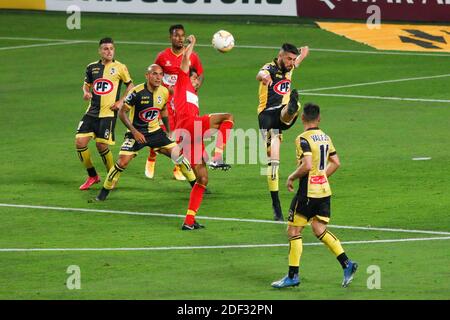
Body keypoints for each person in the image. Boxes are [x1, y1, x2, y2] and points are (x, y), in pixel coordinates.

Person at [271, 103, 358, 288]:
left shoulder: (302, 139)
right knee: (319, 229)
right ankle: (347, 264)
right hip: (324, 192)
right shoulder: (326, 137)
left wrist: (292, 176)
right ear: (319, 119)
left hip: (307, 193)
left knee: (293, 231)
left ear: (302, 118)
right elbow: (336, 162)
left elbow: (308, 165)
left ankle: (293, 276)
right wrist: (322, 177)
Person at [95, 64, 196, 201]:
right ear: (147, 76)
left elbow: (164, 109)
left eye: (160, 74)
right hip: (136, 133)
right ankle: (103, 193)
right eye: (154, 74)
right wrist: (134, 132)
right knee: (122, 163)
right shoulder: (136, 92)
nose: (158, 77)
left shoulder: (164, 91)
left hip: (156, 132)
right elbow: (122, 112)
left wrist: (168, 130)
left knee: (179, 157)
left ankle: (197, 188)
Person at [173, 35, 234, 230]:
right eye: (194, 76)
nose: (197, 79)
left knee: (202, 179)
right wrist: (192, 44)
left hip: (188, 136)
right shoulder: (183, 82)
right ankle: (217, 156)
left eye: (198, 78)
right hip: (189, 126)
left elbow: (199, 75)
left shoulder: (193, 95)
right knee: (228, 118)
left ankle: (189, 221)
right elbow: (184, 61)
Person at [256, 43, 309, 221]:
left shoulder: (291, 65)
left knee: (292, 108)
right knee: (273, 159)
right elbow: (260, 73)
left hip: (282, 112)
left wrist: (303, 53)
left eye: (294, 60)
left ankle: (292, 108)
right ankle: (276, 205)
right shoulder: (269, 68)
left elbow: (299, 58)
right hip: (266, 116)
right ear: (280, 56)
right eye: (289, 59)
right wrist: (264, 78)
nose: (292, 63)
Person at [145, 24, 204, 181]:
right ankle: (152, 157)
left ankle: (178, 168)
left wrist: (196, 85)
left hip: (182, 103)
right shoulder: (163, 56)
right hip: (165, 103)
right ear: (170, 37)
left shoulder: (193, 56)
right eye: (176, 35)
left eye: (182, 35)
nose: (180, 38)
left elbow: (200, 74)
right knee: (161, 133)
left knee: (181, 136)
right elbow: (154, 74)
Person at [75, 37, 134, 190]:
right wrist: (86, 92)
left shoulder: (120, 67)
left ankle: (111, 176)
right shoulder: (91, 67)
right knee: (80, 142)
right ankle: (93, 176)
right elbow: (86, 85)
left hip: (108, 113)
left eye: (111, 48)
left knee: (101, 145)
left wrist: (121, 102)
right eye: (105, 49)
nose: (109, 51)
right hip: (92, 112)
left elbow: (131, 86)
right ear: (100, 51)